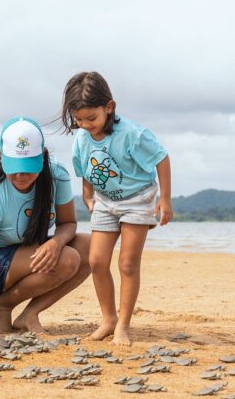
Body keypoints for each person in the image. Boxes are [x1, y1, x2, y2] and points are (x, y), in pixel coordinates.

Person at [60, 72, 173, 346]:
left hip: (137, 198)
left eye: (92, 118)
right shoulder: (83, 138)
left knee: (127, 263)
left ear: (109, 107)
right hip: (104, 201)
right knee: (97, 261)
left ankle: (123, 325)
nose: (86, 125)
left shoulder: (133, 134)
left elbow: (161, 157)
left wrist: (165, 199)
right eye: (79, 120)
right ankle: (108, 319)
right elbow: (84, 169)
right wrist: (87, 196)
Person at [0, 116, 90, 334]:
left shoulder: (57, 174)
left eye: (28, 167)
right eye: (15, 167)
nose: (21, 175)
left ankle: (29, 314)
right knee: (68, 258)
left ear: (43, 155)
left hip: (28, 253)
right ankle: (0, 306)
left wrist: (56, 242)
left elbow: (68, 223)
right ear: (1, 156)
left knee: (91, 247)